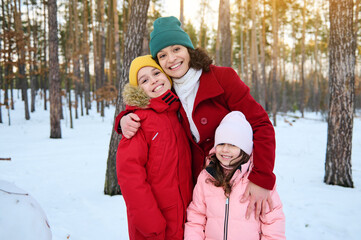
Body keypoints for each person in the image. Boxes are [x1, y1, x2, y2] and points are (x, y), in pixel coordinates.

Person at [115, 16, 276, 219]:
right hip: (196, 193)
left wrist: (261, 178)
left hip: (237, 183)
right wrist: (124, 118)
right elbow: (148, 109)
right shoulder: (166, 90)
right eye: (162, 55)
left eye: (176, 49)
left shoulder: (222, 78)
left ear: (188, 49)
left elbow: (261, 124)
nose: (171, 59)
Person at [116, 55, 193, 240]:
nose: (153, 80)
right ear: (138, 90)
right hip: (156, 226)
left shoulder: (178, 112)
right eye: (144, 80)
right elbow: (130, 178)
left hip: (186, 219)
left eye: (156, 73)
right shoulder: (137, 121)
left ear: (166, 76)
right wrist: (151, 224)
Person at [184, 111, 285, 240]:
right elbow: (196, 217)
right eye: (221, 144)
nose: (225, 149)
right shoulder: (206, 177)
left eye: (232, 145)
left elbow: (273, 222)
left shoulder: (258, 181)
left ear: (244, 148)